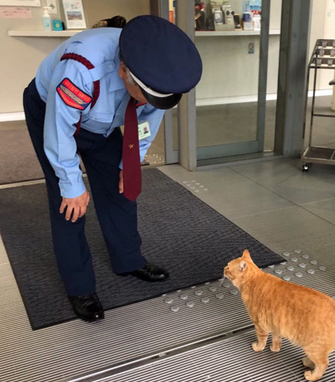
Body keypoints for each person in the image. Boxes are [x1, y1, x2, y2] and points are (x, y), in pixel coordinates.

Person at [23, 15, 202, 322]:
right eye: (145, 96)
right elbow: (59, 129)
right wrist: (71, 183)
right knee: (69, 203)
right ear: (123, 71)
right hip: (50, 111)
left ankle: (129, 260)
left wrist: (129, 164)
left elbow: (146, 121)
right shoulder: (81, 68)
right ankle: (79, 286)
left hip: (101, 123)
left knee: (121, 188)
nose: (150, 103)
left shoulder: (156, 81)